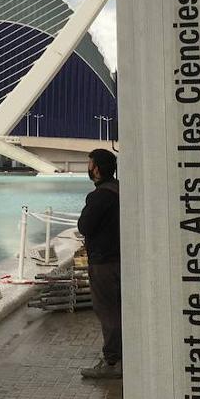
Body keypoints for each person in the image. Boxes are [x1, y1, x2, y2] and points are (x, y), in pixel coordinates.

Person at [78, 148, 122, 379]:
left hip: (104, 263)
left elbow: (84, 226)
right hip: (121, 260)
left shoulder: (99, 196)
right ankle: (123, 356)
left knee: (107, 311)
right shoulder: (119, 190)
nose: (88, 167)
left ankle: (113, 362)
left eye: (89, 163)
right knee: (120, 309)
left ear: (96, 169)